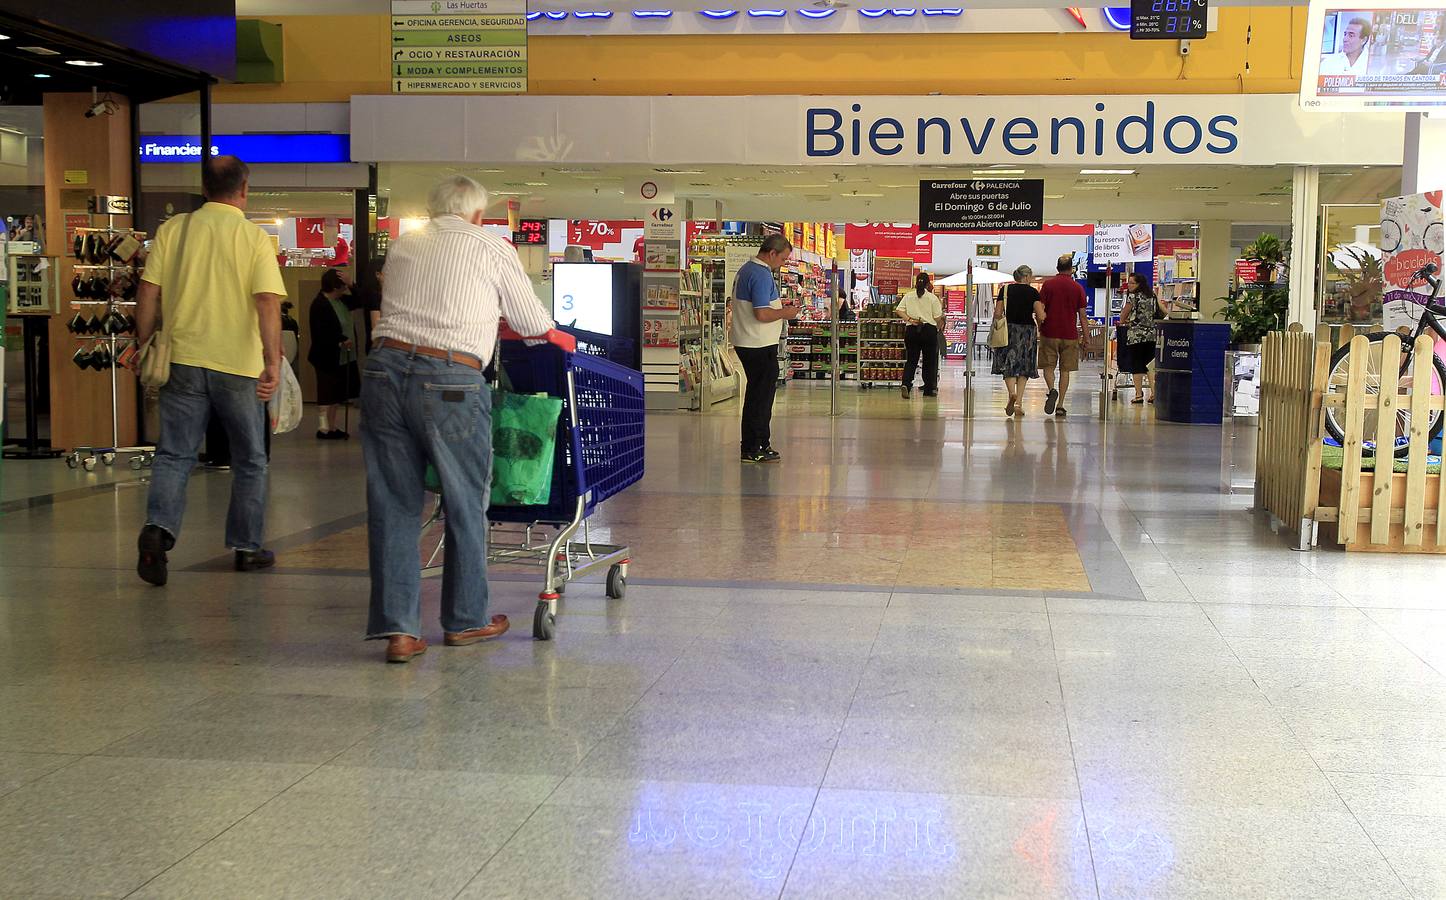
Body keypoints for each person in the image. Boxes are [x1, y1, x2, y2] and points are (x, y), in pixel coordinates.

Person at [363, 175, 554, 664]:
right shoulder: (490, 246)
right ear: (478, 215)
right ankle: (467, 618)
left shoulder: (405, 243)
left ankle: (399, 631)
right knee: (466, 500)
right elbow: (533, 324)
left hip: (384, 371)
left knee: (393, 504)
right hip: (449, 379)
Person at [133, 156, 285, 586]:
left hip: (181, 359)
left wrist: (144, 344)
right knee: (250, 459)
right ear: (245, 188)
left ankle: (157, 531)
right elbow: (267, 303)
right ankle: (246, 546)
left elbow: (148, 291)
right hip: (237, 364)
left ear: (204, 188)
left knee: (175, 454)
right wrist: (272, 362)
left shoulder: (174, 230)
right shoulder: (253, 237)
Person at [730, 233, 800, 463]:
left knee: (757, 395)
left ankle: (757, 443)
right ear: (772, 253)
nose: (783, 264)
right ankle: (754, 446)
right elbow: (761, 313)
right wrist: (786, 313)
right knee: (760, 398)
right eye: (782, 259)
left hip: (749, 341)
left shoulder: (746, 270)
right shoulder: (760, 274)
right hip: (757, 343)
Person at [308, 268, 360, 439]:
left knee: (336, 393)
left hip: (342, 355)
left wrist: (351, 283)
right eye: (342, 287)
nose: (344, 290)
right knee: (326, 391)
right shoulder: (320, 304)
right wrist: (341, 338)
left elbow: (361, 300)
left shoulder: (342, 301)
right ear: (334, 287)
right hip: (327, 355)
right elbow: (321, 330)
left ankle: (332, 426)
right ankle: (323, 427)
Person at [1037, 253, 1090, 418]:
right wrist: (1086, 337)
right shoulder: (1077, 288)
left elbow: (1040, 310)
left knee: (1048, 367)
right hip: (1070, 334)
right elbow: (1082, 316)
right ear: (1071, 269)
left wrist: (1040, 327)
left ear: (1057, 268)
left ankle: (1051, 390)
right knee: (1065, 370)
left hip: (1049, 332)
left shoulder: (1048, 285)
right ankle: (1060, 405)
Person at [991, 265, 1046, 417]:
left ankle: (1011, 394)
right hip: (1027, 332)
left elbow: (997, 313)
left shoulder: (1006, 290)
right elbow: (1040, 316)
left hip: (1008, 330)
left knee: (1008, 364)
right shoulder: (1033, 292)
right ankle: (1019, 403)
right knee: (1024, 367)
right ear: (1027, 277)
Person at [1118, 272, 1167, 404]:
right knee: (1150, 365)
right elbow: (1163, 311)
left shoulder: (1132, 297)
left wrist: (1123, 320)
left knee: (1137, 365)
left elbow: (1124, 314)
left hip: (1136, 336)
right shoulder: (1152, 295)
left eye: (1131, 283)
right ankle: (1154, 393)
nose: (1129, 285)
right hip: (1151, 335)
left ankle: (1139, 394)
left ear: (1139, 284)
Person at [896, 271, 944, 398]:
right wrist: (942, 319)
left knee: (911, 360)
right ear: (928, 284)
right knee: (929, 361)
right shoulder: (932, 298)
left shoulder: (908, 296)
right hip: (928, 331)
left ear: (916, 282)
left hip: (912, 330)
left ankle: (906, 383)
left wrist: (909, 320)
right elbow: (937, 317)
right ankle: (928, 388)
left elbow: (899, 310)